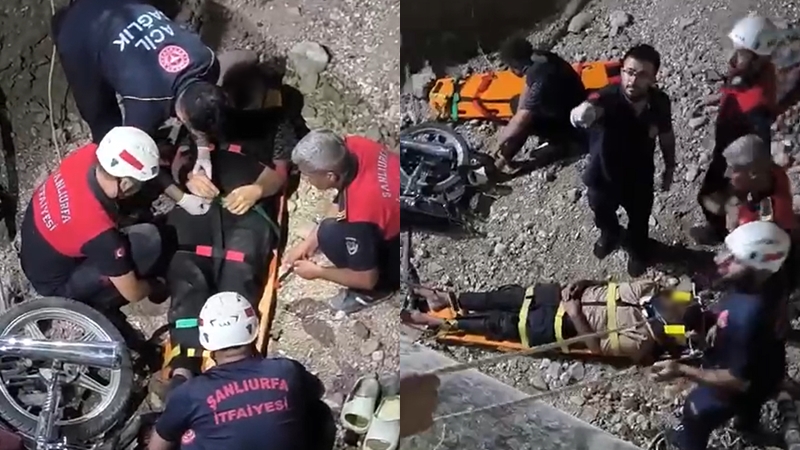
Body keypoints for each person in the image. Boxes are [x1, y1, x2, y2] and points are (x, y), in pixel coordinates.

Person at [52, 0, 226, 214]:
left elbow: (201, 109)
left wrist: (203, 149)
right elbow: (133, 157)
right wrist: (182, 198)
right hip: (79, 35)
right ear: (181, 115)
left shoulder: (207, 61)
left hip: (120, 5)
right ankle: (109, 187)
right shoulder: (147, 105)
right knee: (101, 119)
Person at [652, 220, 790, 450]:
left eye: (735, 259)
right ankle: (748, 426)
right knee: (752, 403)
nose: (720, 259)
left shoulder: (748, 319)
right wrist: (716, 324)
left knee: (695, 412)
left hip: (738, 384)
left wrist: (680, 369)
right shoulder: (772, 278)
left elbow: (737, 381)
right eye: (727, 250)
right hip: (767, 370)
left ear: (757, 268)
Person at [148, 292, 335, 450]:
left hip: (184, 398)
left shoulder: (190, 393)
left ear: (207, 341)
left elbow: (157, 447)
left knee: (180, 432)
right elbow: (317, 390)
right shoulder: (286, 371)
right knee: (318, 411)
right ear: (254, 330)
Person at [19, 126, 170, 310]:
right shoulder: (101, 235)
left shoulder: (86, 155)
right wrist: (153, 285)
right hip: (55, 284)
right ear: (123, 183)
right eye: (138, 183)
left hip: (35, 246)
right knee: (148, 240)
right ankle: (102, 301)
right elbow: (133, 293)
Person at [403, 279, 707, 365]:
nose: (666, 300)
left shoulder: (639, 341)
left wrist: (575, 313)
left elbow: (596, 347)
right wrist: (582, 283)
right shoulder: (647, 290)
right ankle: (444, 299)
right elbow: (607, 284)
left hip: (555, 324)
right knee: (497, 297)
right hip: (552, 295)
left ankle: (436, 323)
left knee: (498, 323)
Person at [570, 44, 676, 277]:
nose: (632, 80)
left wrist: (670, 167)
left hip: (640, 177)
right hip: (603, 176)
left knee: (640, 220)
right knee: (602, 213)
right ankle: (610, 235)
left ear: (653, 78)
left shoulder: (660, 103)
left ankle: (638, 251)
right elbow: (590, 108)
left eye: (642, 75)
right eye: (629, 72)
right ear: (622, 71)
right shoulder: (607, 97)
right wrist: (581, 114)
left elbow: (667, 135)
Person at [284, 129, 400, 313]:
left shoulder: (360, 217)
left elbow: (367, 279)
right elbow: (344, 199)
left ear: (330, 176)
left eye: (308, 175)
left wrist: (317, 272)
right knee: (324, 231)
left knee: (329, 236)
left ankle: (379, 291)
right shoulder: (353, 145)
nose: (307, 180)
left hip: (399, 244)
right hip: (400, 198)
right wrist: (309, 243)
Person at [692, 15, 780, 245]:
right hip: (731, 144)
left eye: (741, 53)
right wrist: (720, 97)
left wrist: (743, 181)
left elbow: (759, 147)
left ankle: (724, 234)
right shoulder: (757, 73)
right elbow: (737, 88)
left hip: (734, 156)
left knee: (709, 196)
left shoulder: (757, 105)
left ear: (758, 57)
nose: (734, 57)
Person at [490, 36, 587, 174]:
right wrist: (517, 116)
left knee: (527, 121)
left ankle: (561, 143)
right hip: (568, 99)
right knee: (516, 104)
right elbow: (527, 89)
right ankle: (507, 157)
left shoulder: (540, 75)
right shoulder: (538, 57)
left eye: (511, 66)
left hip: (570, 118)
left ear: (516, 64)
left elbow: (523, 118)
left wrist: (500, 142)